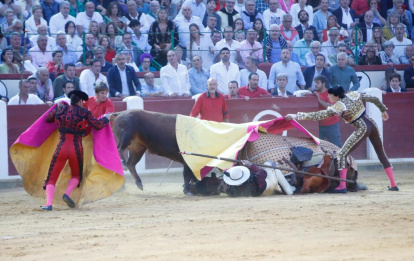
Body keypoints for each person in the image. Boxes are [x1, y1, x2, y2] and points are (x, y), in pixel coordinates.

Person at [285, 86, 399, 193]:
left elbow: (319, 115)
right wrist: (383, 110)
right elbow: (373, 98)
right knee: (381, 154)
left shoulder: (339, 106)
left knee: (341, 155)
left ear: (336, 96)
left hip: (362, 128)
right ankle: (393, 185)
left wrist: (297, 116)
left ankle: (342, 186)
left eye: (330, 96)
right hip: (372, 125)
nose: (328, 97)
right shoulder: (353, 94)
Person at [41, 90, 110, 210]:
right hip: (76, 148)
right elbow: (97, 125)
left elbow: (48, 118)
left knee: (51, 178)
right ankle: (67, 194)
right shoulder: (84, 112)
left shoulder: (60, 110)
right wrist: (106, 118)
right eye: (83, 102)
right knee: (76, 176)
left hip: (61, 147)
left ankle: (48, 204)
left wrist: (56, 106)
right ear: (79, 101)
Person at [313, 75, 342, 147]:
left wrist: (319, 99)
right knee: (317, 147)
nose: (315, 85)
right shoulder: (314, 93)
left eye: (318, 83)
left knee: (336, 146)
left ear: (323, 84)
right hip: (319, 126)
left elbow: (330, 106)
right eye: (315, 83)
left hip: (331, 125)